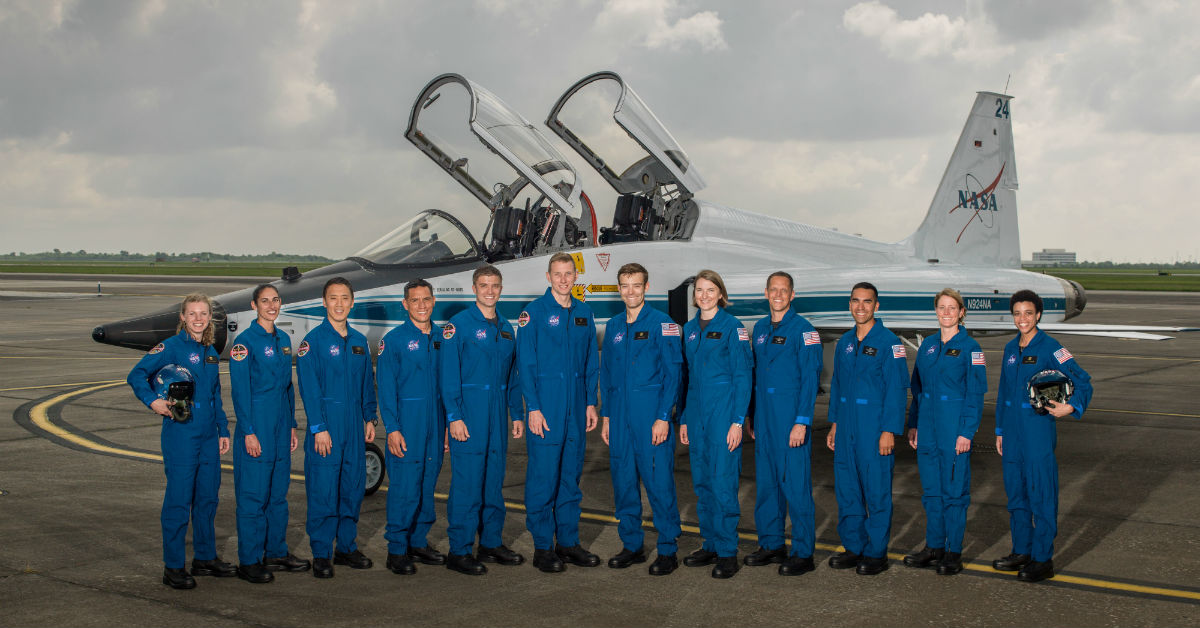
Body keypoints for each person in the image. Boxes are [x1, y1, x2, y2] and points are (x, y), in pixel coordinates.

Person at [127, 293, 233, 590]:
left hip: (208, 434)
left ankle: (205, 558)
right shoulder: (170, 347)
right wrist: (153, 402)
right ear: (183, 317)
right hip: (181, 431)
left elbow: (214, 395)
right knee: (179, 500)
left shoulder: (210, 351)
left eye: (203, 314)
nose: (199, 319)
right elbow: (136, 375)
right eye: (193, 314)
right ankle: (173, 566)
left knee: (207, 498)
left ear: (209, 318)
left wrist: (223, 429)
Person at [992, 289, 1092, 583]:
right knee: (1016, 495)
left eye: (1028, 313)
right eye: (1017, 313)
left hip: (1037, 429)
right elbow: (1004, 393)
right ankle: (1022, 551)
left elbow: (1083, 380)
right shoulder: (1011, 348)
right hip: (1012, 432)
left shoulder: (1052, 347)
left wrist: (1071, 407)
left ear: (1038, 315)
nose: (1022, 319)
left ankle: (1042, 559)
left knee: (1041, 494)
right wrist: (999, 430)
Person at [516, 252, 601, 573]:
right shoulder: (533, 313)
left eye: (569, 273)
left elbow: (591, 360)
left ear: (575, 277)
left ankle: (567, 542)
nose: (564, 279)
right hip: (546, 407)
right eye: (558, 274)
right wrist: (533, 408)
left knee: (570, 478)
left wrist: (590, 402)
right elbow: (525, 364)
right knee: (543, 477)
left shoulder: (584, 312)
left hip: (576, 407)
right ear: (548, 277)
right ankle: (542, 546)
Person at [440, 265, 526, 575]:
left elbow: (512, 376)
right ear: (474, 288)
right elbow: (449, 375)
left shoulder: (506, 328)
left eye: (495, 285)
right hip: (469, 415)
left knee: (493, 482)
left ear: (501, 289)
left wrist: (517, 414)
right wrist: (454, 417)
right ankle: (459, 549)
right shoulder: (458, 325)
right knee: (467, 484)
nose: (490, 291)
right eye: (484, 285)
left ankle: (490, 543)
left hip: (497, 416)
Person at [599, 263, 684, 576]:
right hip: (620, 418)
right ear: (619, 289)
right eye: (625, 285)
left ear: (646, 287)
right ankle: (632, 545)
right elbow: (607, 374)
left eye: (636, 285)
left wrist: (663, 417)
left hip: (651, 417)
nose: (630, 291)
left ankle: (668, 548)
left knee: (659, 484)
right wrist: (607, 416)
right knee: (623, 484)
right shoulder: (613, 326)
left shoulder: (664, 324)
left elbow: (673, 375)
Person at [825, 282, 910, 576]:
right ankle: (854, 546)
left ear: (876, 305)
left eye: (867, 301)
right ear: (850, 304)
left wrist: (889, 430)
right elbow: (837, 386)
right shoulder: (845, 342)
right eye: (855, 301)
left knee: (876, 491)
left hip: (873, 427)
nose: (860, 307)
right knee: (848, 489)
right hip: (846, 425)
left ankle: (876, 552)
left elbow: (897, 389)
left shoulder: (890, 342)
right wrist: (834, 424)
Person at [229, 284, 310, 584]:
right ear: (254, 305)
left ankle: (275, 551)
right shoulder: (244, 342)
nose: (272, 306)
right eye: (265, 301)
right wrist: (248, 431)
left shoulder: (284, 340)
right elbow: (240, 391)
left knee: (278, 495)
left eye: (275, 300)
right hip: (257, 423)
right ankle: (249, 560)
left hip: (280, 423)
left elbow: (287, 387)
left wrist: (291, 425)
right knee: (253, 496)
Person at [902, 288, 987, 576]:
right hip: (927, 429)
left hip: (954, 430)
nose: (946, 312)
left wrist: (967, 432)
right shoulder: (927, 345)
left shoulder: (971, 348)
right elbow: (918, 389)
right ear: (936, 311)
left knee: (954, 493)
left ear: (961, 312)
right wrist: (913, 424)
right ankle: (934, 546)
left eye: (952, 308)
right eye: (942, 307)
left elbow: (976, 393)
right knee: (931, 493)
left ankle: (953, 552)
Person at [297, 277, 377, 578]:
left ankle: (346, 547)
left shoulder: (359, 341)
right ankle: (321, 553)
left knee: (352, 488)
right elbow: (310, 389)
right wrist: (319, 427)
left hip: (354, 426)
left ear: (352, 302)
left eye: (345, 298)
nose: (339, 304)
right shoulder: (312, 343)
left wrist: (369, 417)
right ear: (324, 302)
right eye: (333, 298)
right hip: (327, 425)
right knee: (324, 490)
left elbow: (366, 383)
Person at [744, 272, 823, 576]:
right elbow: (756, 376)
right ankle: (771, 544)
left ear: (792, 295)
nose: (778, 295)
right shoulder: (761, 328)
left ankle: (803, 552)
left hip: (790, 418)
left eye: (784, 290)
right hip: (765, 418)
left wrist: (802, 421)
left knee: (796, 485)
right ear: (766, 293)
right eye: (773, 290)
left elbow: (810, 380)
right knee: (767, 484)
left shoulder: (804, 331)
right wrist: (752, 414)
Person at [680, 269, 752, 579]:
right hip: (697, 416)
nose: (704, 295)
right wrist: (684, 418)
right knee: (703, 484)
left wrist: (737, 421)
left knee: (723, 484)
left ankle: (727, 551)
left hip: (723, 415)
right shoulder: (689, 329)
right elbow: (689, 380)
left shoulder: (733, 327)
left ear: (720, 294)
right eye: (699, 290)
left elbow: (743, 377)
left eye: (710, 290)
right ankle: (709, 543)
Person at [376, 279, 446, 575]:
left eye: (426, 299)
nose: (421, 305)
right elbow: (386, 388)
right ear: (405, 304)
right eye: (415, 300)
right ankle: (396, 549)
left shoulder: (444, 337)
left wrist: (446, 427)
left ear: (433, 301)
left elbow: (448, 386)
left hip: (436, 425)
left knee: (427, 486)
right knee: (405, 488)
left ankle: (418, 541)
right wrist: (392, 428)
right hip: (407, 425)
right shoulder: (393, 341)